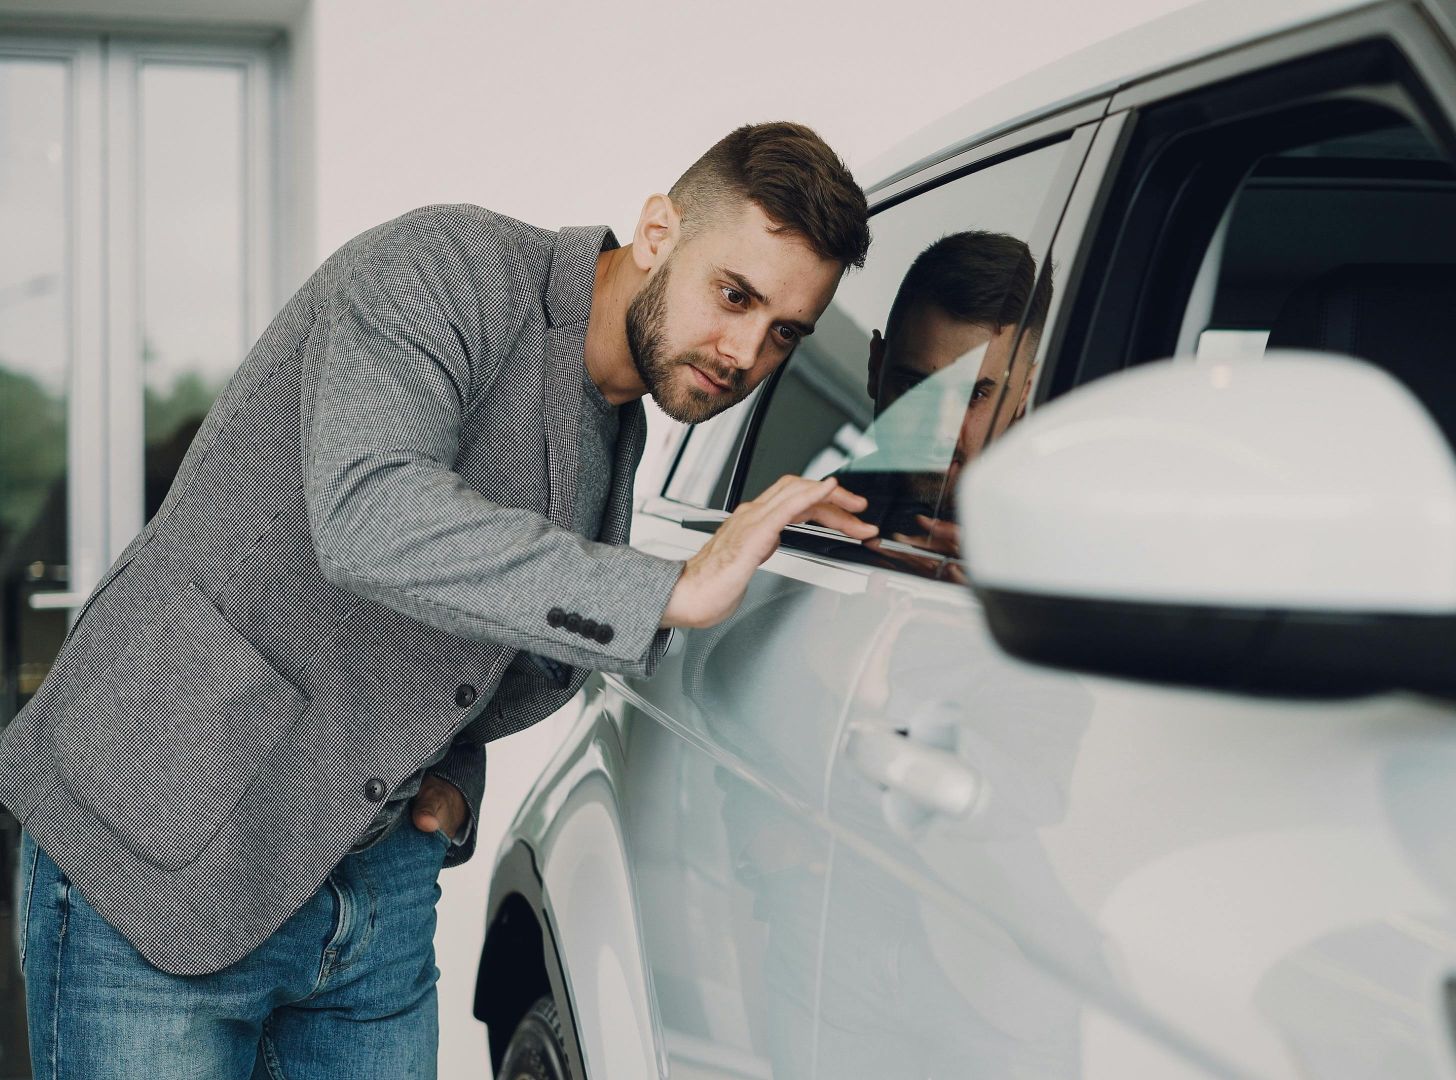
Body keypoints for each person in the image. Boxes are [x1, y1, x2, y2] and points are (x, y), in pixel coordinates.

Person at [0, 121, 876, 1079]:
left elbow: (471, 619)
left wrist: (456, 767)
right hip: (163, 826)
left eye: (784, 331)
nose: (747, 351)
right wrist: (669, 588)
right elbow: (372, 513)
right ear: (659, 231)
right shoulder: (446, 265)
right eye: (734, 294)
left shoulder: (616, 421)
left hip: (373, 890)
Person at [840, 229, 1052, 575]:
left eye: (975, 395)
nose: (940, 430)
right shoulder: (814, 517)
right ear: (876, 368)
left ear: (1026, 391)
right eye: (915, 386)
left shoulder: (1062, 553)